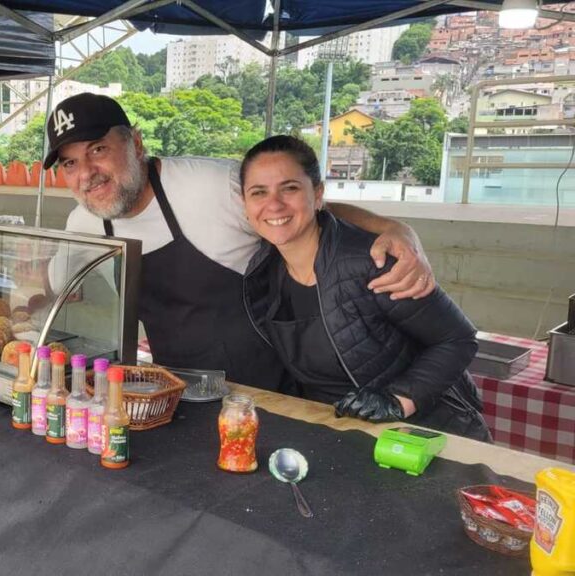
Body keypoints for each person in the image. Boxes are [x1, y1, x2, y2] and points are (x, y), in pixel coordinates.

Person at [43, 93, 436, 391]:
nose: (87, 173)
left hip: (274, 388)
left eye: (98, 150)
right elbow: (57, 288)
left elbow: (304, 209)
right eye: (70, 163)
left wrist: (390, 227)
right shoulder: (83, 223)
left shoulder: (211, 185)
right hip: (176, 392)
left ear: (136, 144)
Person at [239, 135, 490, 439]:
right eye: (259, 192)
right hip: (338, 432)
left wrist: (397, 400)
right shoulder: (265, 272)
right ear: (244, 204)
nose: (274, 204)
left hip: (425, 432)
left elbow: (458, 338)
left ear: (317, 195)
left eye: (289, 188)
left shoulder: (371, 261)